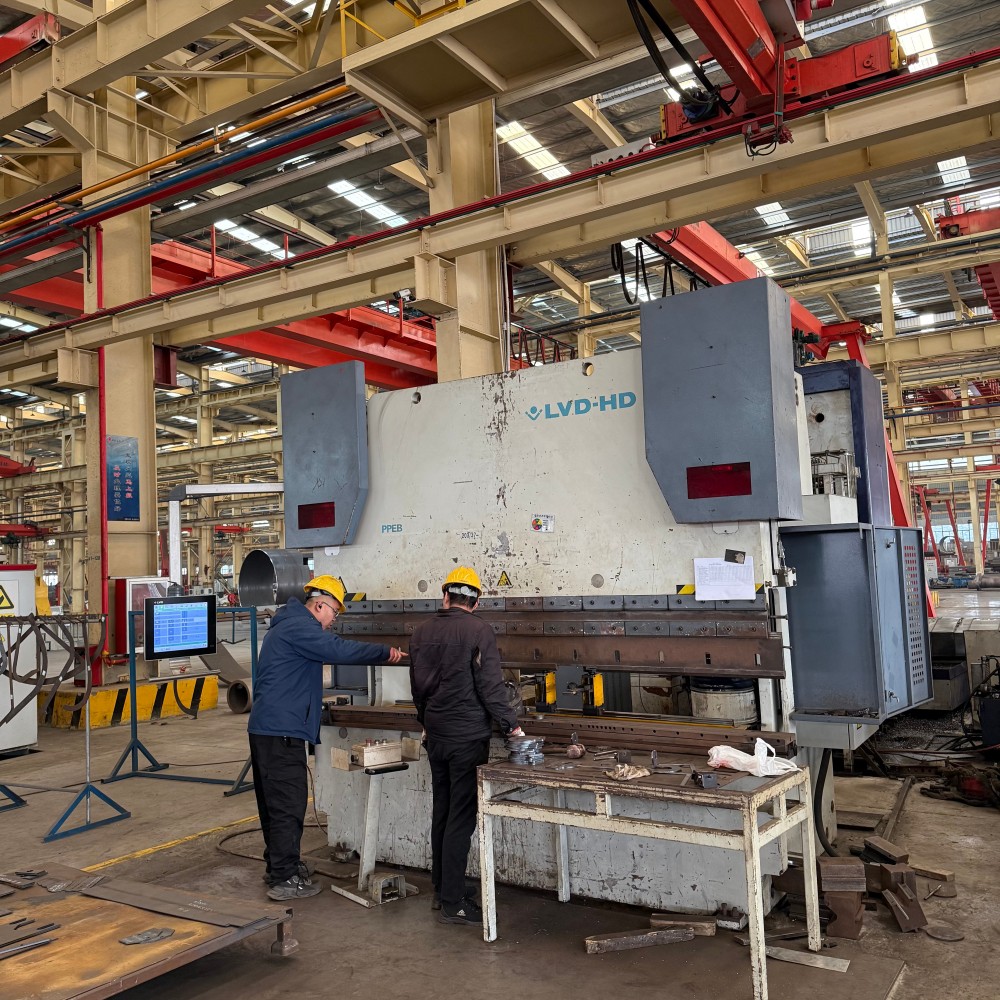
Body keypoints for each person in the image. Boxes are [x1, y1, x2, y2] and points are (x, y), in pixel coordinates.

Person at [248, 574, 406, 901]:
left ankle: (279, 866)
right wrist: (383, 653)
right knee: (287, 806)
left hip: (271, 729)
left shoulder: (287, 625)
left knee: (276, 804)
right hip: (280, 732)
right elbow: (339, 650)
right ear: (319, 605)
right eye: (334, 612)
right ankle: (284, 878)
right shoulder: (299, 628)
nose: (333, 620)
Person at [409, 567, 523, 925]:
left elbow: (418, 688)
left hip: (437, 736)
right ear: (476, 601)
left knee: (442, 811)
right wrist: (513, 727)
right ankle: (454, 901)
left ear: (445, 597)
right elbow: (491, 688)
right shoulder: (479, 630)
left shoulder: (421, 632)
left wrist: (425, 721)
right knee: (461, 818)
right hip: (466, 740)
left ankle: (443, 887)